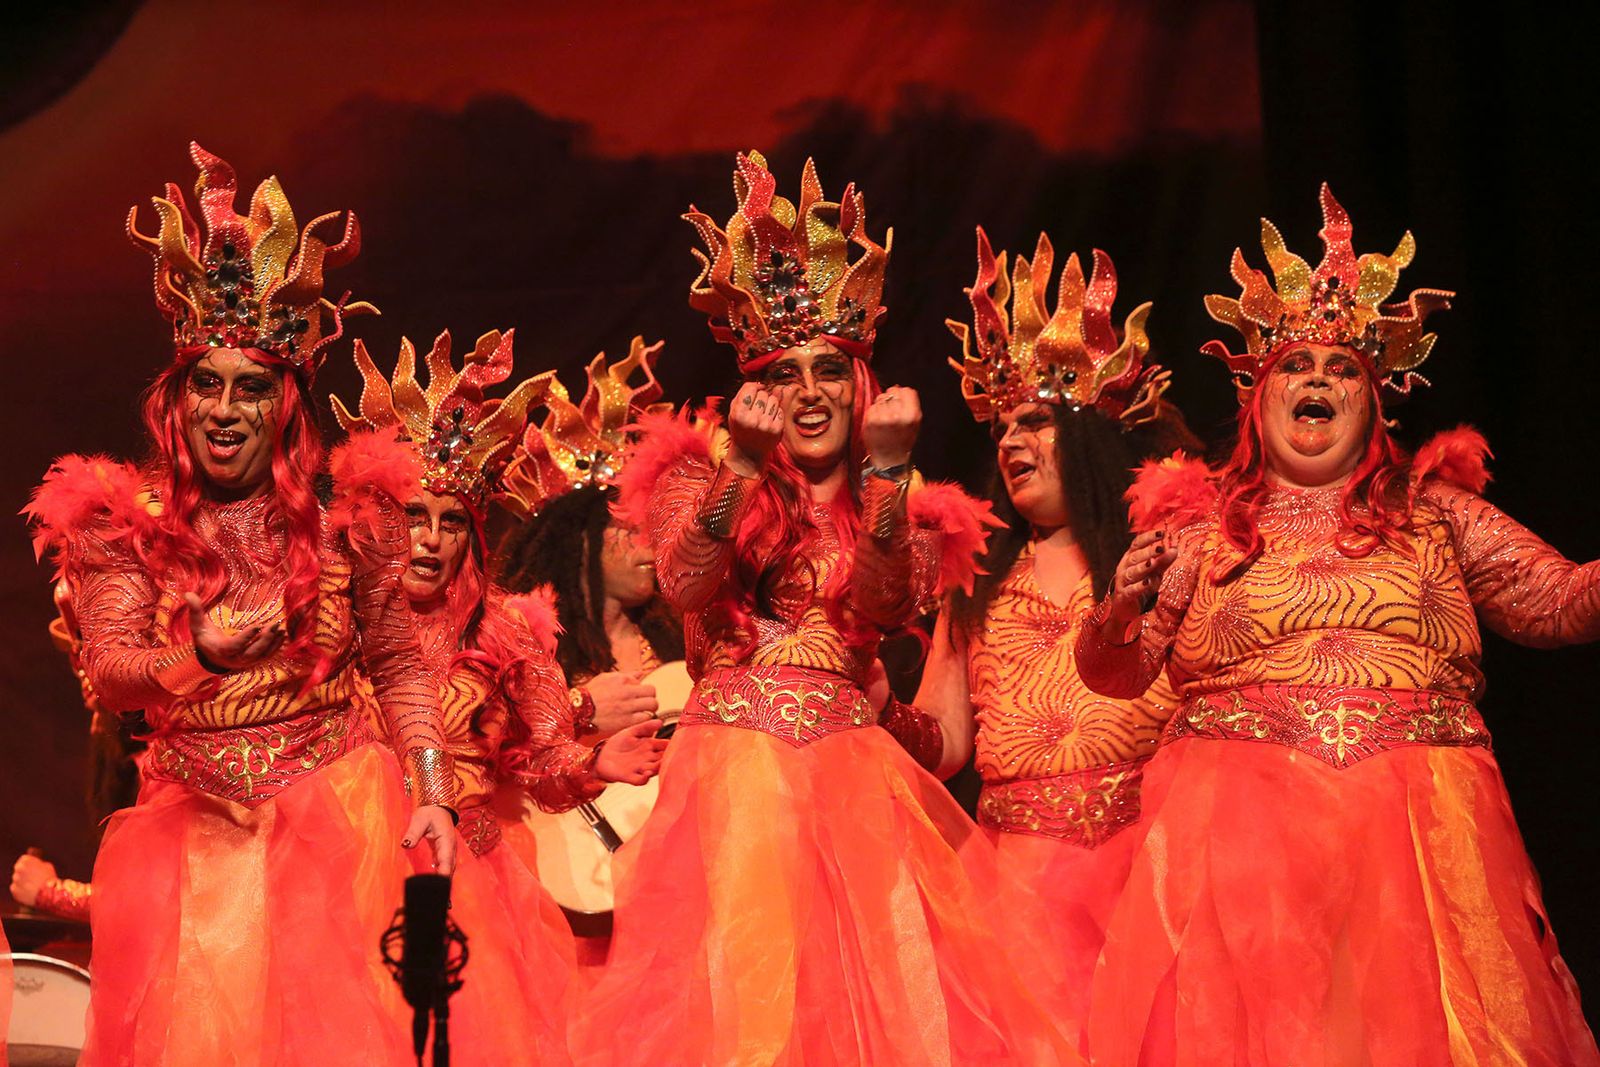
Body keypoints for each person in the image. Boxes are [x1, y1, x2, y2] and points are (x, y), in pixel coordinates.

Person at [1076, 185, 1600, 1066]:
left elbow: (1560, 601)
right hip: (1241, 850)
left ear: (1376, 399)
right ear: (1258, 393)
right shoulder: (1202, 531)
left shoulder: (1439, 515)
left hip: (1419, 840)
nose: (1317, 378)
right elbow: (1118, 676)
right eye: (1294, 365)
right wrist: (1119, 609)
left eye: (1342, 367)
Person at [571, 151, 1074, 1066]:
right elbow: (685, 584)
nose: (810, 391)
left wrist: (885, 476)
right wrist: (736, 470)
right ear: (759, 388)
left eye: (830, 370)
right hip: (730, 775)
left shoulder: (910, 503)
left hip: (851, 779)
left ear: (861, 386)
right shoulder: (697, 474)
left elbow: (882, 605)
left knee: (866, 1011)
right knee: (738, 1008)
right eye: (786, 371)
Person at [26, 143, 455, 1065]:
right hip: (194, 833)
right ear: (175, 405)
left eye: (250, 386)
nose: (223, 409)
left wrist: (431, 789)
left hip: (338, 816)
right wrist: (205, 655)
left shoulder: (358, 526)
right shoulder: (119, 526)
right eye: (204, 386)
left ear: (287, 402)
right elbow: (114, 677)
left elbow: (399, 663)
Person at [331, 328, 667, 1065]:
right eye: (412, 516)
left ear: (470, 538)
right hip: (344, 877)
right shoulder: (336, 616)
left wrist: (592, 760)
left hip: (473, 882)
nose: (428, 540)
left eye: (449, 522)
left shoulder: (510, 632)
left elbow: (542, 764)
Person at [902, 229, 1185, 1050]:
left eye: (1035, 421)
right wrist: (880, 708)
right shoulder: (976, 581)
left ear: (1091, 435)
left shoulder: (1166, 553)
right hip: (1016, 885)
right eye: (1002, 428)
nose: (1009, 442)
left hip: (1148, 869)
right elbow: (948, 739)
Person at [493, 336, 688, 972]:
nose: (649, 549)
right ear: (577, 540)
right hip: (552, 899)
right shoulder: (513, 643)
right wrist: (577, 710)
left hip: (671, 896)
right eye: (629, 531)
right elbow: (469, 744)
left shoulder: (684, 649)